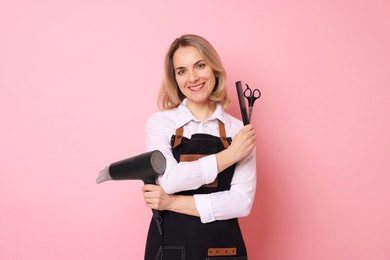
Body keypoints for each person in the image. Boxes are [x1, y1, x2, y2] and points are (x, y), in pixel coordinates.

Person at [142, 34, 257, 260]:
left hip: (223, 251)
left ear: (214, 69)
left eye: (200, 65)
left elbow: (241, 203)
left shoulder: (239, 130)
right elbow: (171, 180)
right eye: (182, 70)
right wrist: (231, 154)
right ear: (174, 78)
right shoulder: (160, 124)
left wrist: (171, 202)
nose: (193, 78)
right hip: (169, 249)